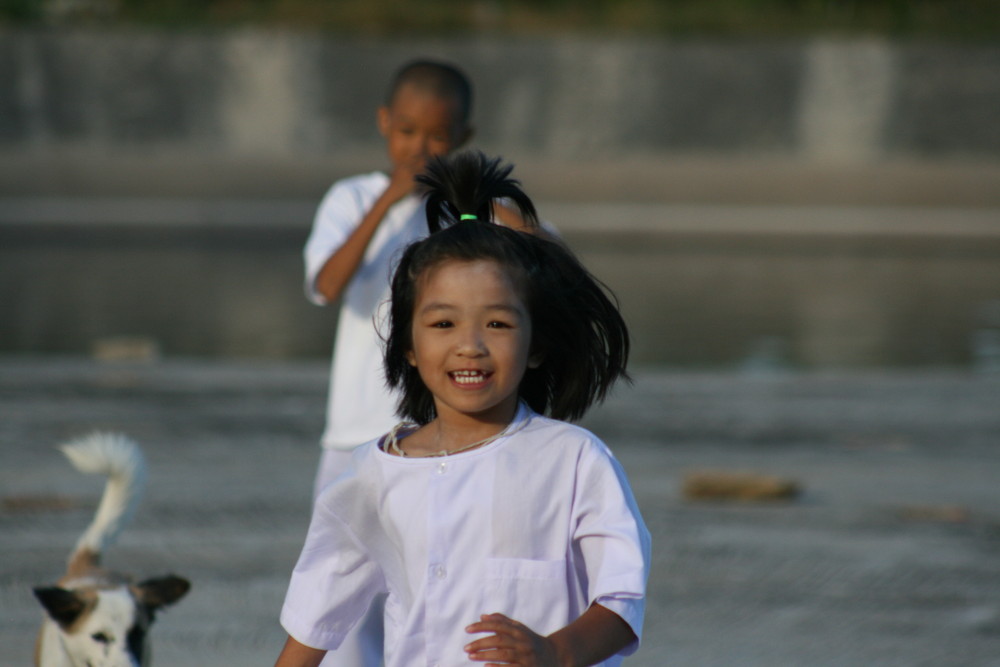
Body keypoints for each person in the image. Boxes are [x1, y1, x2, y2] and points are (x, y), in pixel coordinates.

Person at [275, 151, 650, 667]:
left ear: (536, 345)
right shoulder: (375, 471)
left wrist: (553, 651)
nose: (470, 346)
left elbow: (621, 598)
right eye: (443, 324)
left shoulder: (575, 460)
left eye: (497, 324)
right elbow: (315, 614)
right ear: (408, 346)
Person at [304, 59, 476, 499]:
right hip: (354, 427)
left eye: (437, 137)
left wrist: (471, 195)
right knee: (337, 560)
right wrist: (389, 199)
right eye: (407, 132)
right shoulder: (352, 197)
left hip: (434, 425)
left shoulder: (463, 211)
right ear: (384, 122)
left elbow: (542, 250)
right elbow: (325, 287)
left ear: (462, 138)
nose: (419, 149)